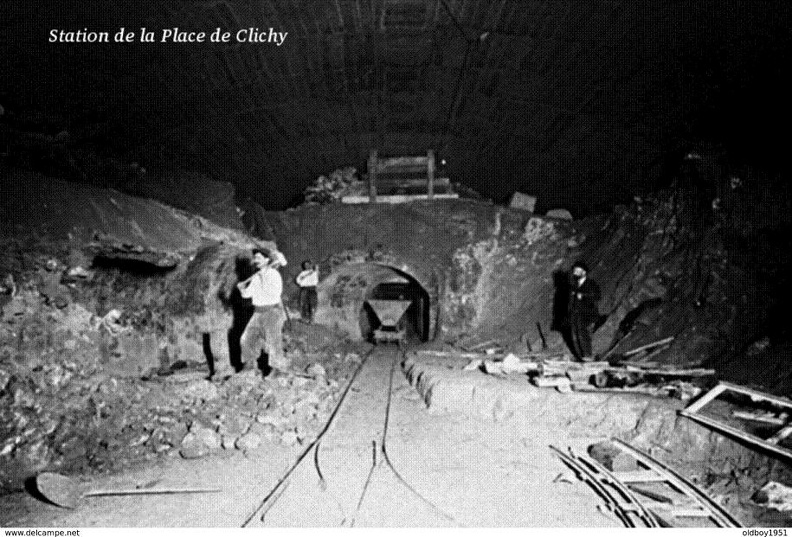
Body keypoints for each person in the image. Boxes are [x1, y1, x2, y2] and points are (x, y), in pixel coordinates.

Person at [237, 249, 289, 372]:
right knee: (245, 339)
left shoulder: (274, 274)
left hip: (271, 311)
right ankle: (250, 367)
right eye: (255, 258)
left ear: (267, 260)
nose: (256, 260)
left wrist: (263, 280)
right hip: (257, 313)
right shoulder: (255, 277)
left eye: (259, 258)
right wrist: (241, 288)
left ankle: (278, 370)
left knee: (273, 341)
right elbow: (246, 295)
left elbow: (275, 293)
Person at [567, 261, 600, 361]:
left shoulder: (591, 283)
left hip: (586, 314)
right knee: (574, 336)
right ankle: (580, 357)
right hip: (575, 314)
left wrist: (583, 296)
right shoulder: (574, 285)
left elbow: (597, 296)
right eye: (574, 271)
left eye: (578, 271)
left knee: (583, 335)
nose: (575, 273)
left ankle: (587, 356)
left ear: (584, 272)